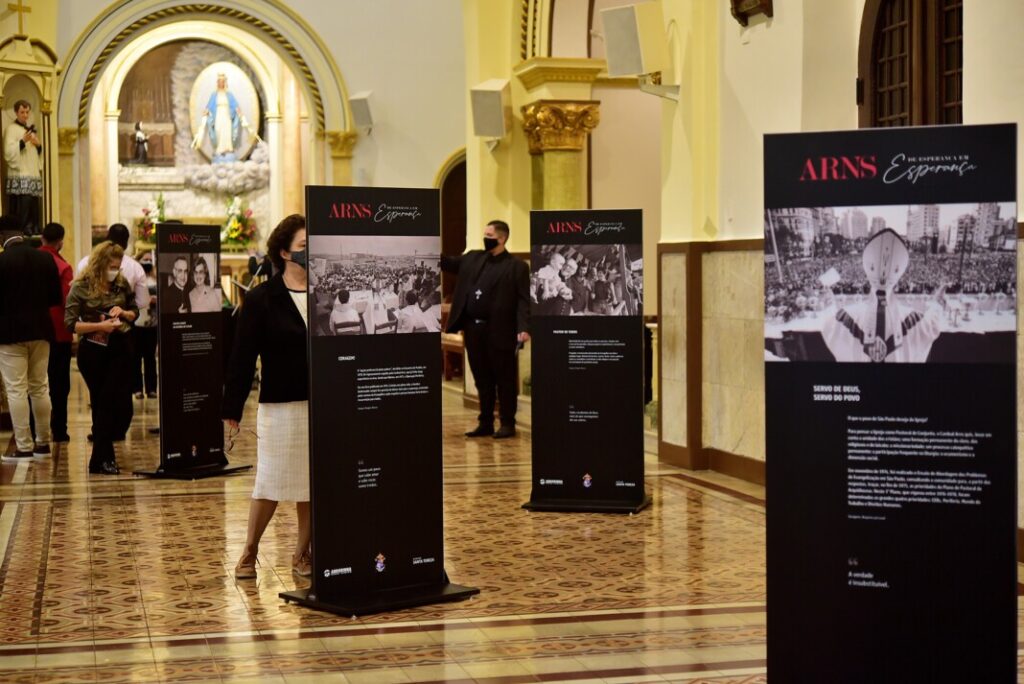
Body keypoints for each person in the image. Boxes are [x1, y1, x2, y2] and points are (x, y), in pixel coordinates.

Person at [222, 214, 311, 579]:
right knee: (271, 480)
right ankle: (249, 550)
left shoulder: (326, 290)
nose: (311, 253)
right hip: (280, 403)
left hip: (319, 401)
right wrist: (232, 407)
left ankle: (302, 553)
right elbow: (242, 355)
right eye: (305, 247)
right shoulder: (262, 298)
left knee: (313, 483)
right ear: (284, 252)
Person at [441, 219, 530, 439]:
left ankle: (507, 423)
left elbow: (524, 300)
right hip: (473, 329)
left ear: (502, 238)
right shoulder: (473, 257)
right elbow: (448, 263)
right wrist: (426, 245)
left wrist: (524, 328)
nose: (485, 239)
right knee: (482, 378)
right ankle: (486, 422)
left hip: (501, 330)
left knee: (505, 379)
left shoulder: (516, 267)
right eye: (485, 235)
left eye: (489, 236)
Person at [64, 241, 138, 474]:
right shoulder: (81, 287)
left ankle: (101, 459)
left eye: (117, 267)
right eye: (111, 266)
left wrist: (124, 313)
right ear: (100, 264)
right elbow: (70, 324)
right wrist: (99, 325)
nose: (114, 271)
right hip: (94, 351)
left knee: (115, 403)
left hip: (120, 348)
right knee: (102, 402)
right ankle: (102, 459)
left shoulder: (121, 284)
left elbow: (134, 310)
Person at [822, 229, 943, 362]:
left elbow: (828, 324)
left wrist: (829, 301)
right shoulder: (916, 321)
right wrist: (937, 304)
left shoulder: (843, 319)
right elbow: (933, 325)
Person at [0, 214, 61, 457]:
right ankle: (44, 442)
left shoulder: (1, 262)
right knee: (40, 387)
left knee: (16, 389)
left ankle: (24, 446)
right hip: (41, 329)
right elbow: (55, 298)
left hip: (9, 333)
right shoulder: (44, 259)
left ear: (2, 236)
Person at [39, 223, 74, 442]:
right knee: (59, 383)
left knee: (35, 382)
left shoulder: (32, 260)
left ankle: (35, 430)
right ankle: (59, 430)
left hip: (34, 329)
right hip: (59, 332)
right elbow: (68, 300)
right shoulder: (62, 266)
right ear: (60, 241)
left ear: (42, 238)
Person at [3, 101, 43, 235]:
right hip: (20, 173)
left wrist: (38, 146)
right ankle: (23, 228)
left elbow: (37, 154)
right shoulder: (11, 129)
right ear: (16, 112)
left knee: (33, 203)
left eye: (27, 112)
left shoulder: (29, 130)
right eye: (22, 112)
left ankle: (34, 226)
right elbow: (8, 152)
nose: (25, 115)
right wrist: (22, 142)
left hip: (32, 172)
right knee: (23, 203)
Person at [132, 251, 158, 399]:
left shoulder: (155, 279)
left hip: (152, 324)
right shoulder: (136, 278)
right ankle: (137, 389)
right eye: (145, 259)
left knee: (150, 358)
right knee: (136, 357)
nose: (147, 262)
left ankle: (151, 389)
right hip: (137, 323)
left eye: (149, 259)